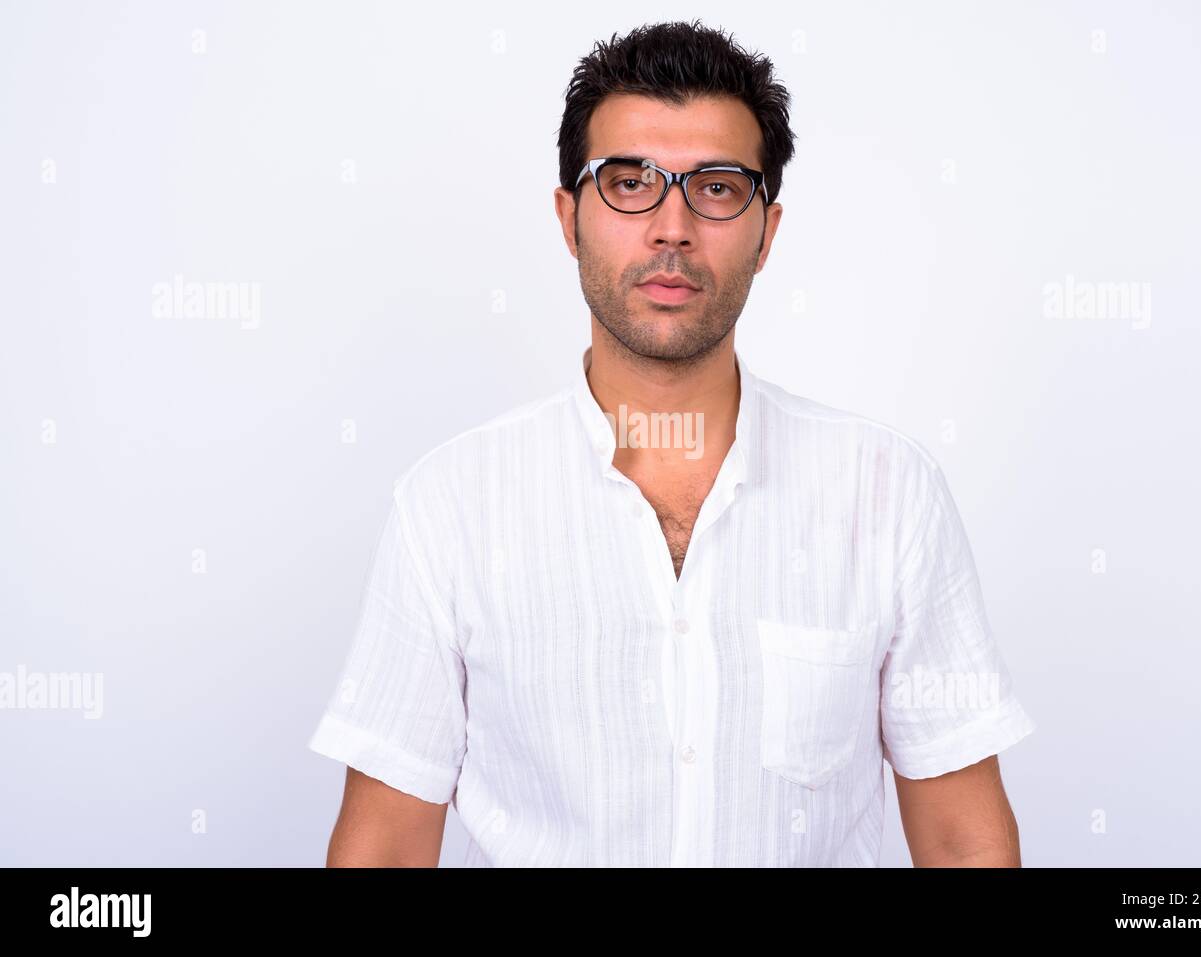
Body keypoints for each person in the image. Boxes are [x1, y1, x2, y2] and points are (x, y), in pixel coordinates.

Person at [308, 19, 1035, 867]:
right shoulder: (454, 505)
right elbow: (385, 847)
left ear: (767, 233)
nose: (672, 227)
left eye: (717, 188)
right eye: (628, 184)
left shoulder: (885, 491)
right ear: (569, 217)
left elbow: (962, 841)